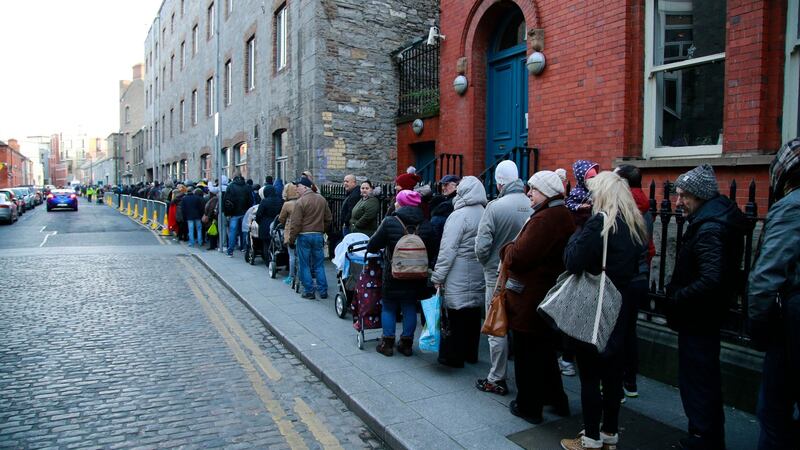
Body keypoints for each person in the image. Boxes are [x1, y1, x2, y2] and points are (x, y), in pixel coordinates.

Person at [560, 171, 648, 450]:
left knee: (590, 375)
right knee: (613, 375)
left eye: (595, 191)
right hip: (620, 305)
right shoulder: (634, 223)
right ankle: (610, 432)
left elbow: (573, 261)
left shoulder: (599, 222)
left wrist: (578, 229)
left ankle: (590, 438)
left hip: (595, 306)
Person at [665, 164, 746, 450]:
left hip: (699, 318)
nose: (678, 202)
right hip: (702, 317)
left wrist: (679, 296)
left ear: (699, 196)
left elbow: (711, 278)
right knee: (701, 379)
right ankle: (703, 434)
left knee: (699, 381)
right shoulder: (711, 220)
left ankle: (703, 439)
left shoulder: (711, 227)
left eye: (684, 195)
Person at [502, 170, 574, 424]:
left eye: (533, 189)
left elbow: (519, 257)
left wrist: (508, 248)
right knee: (543, 354)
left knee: (527, 355)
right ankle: (557, 400)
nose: (529, 193)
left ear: (546, 191)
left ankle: (528, 406)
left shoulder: (545, 218)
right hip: (544, 297)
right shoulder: (562, 214)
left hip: (530, 299)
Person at [748, 139, 800, 449]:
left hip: (791, 326)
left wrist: (758, 328)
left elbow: (766, 277)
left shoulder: (792, 207)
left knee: (774, 412)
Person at [474, 160, 532, 396]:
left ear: (499, 183)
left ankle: (497, 377)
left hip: (495, 274)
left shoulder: (495, 207)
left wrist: (486, 262)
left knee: (496, 324)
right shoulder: (532, 204)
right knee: (520, 324)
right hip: (524, 275)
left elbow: (482, 245)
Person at [368, 190, 436, 356]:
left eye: (397, 201)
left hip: (394, 273)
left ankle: (387, 343)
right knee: (410, 306)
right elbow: (434, 249)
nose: (395, 203)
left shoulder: (390, 221)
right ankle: (406, 344)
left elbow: (372, 245)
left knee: (389, 307)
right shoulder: (426, 223)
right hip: (417, 275)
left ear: (402, 203)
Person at [431, 176, 486, 368]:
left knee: (456, 315)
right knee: (472, 314)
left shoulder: (459, 215)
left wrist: (438, 276)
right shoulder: (484, 212)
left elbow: (448, 249)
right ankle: (471, 353)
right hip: (478, 269)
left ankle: (454, 356)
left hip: (458, 271)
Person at [614, 164, 655, 400]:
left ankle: (616, 384)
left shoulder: (625, 208)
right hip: (641, 274)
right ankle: (630, 381)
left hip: (625, 276)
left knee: (617, 331)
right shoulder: (646, 206)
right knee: (630, 329)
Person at [288, 177, 332, 300]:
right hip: (318, 235)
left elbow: (295, 224)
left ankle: (309, 291)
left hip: (304, 236)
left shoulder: (300, 202)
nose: (296, 189)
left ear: (305, 187)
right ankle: (323, 291)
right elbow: (328, 219)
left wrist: (291, 239)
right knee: (319, 264)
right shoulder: (322, 199)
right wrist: (322, 229)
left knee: (305, 265)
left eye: (298, 186)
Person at [224, 173, 253, 257]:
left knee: (232, 232)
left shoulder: (231, 186)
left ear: (234, 178)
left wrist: (227, 213)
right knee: (244, 231)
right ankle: (244, 247)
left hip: (234, 213)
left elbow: (226, 201)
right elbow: (251, 200)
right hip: (245, 212)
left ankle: (230, 251)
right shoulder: (247, 187)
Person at [278, 182, 300, 284]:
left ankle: (291, 276)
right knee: (300, 256)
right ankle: (299, 275)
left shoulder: (287, 204)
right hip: (300, 231)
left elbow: (281, 219)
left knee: (291, 255)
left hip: (290, 231)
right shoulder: (301, 202)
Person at [255, 185, 283, 261]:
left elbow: (258, 214)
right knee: (277, 243)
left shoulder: (264, 201)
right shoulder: (280, 200)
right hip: (277, 224)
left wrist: (260, 222)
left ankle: (268, 260)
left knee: (266, 244)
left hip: (265, 225)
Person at [430, 174, 459, 241]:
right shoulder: (444, 200)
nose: (443, 188)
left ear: (455, 186)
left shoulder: (453, 202)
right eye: (443, 185)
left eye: (446, 185)